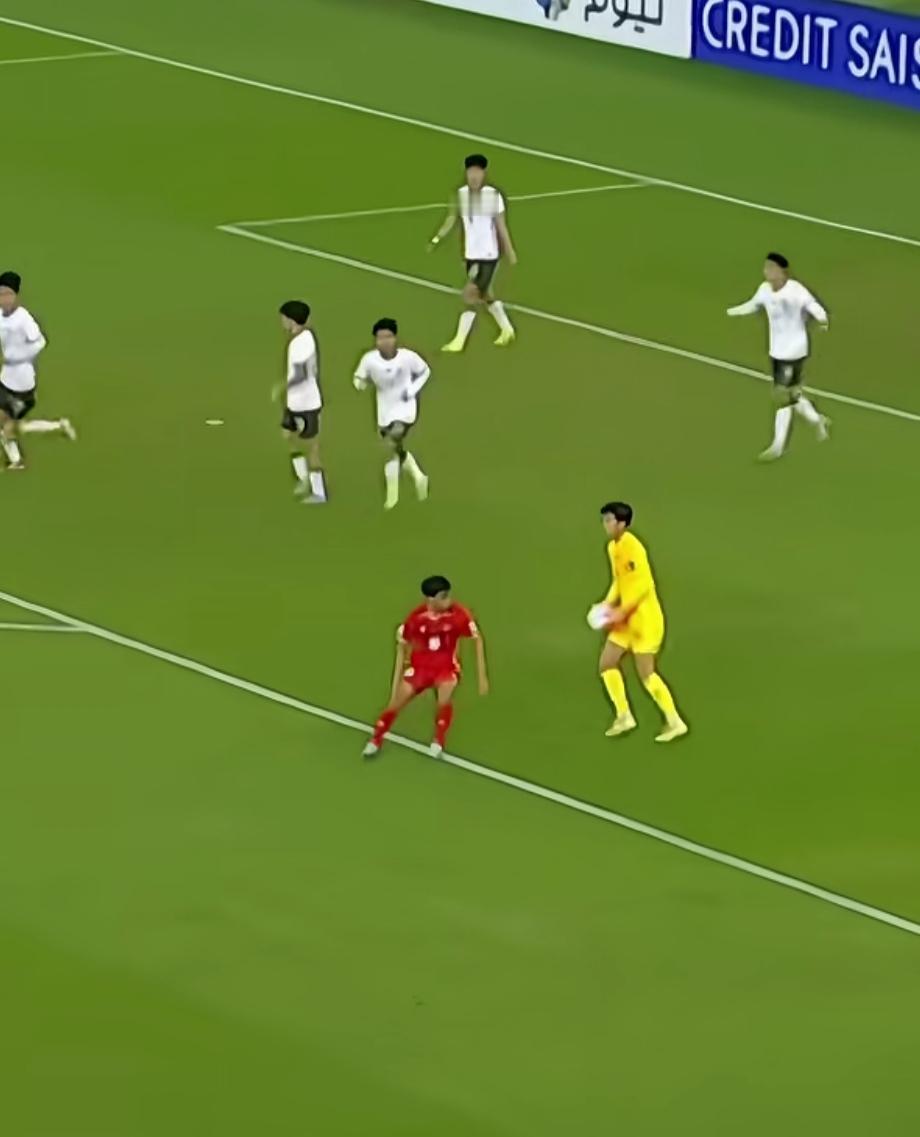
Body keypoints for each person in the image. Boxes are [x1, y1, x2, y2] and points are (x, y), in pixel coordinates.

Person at [364, 575, 489, 759]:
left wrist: (482, 676)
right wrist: (399, 675)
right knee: (395, 704)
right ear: (431, 599)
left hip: (446, 668)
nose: (448, 600)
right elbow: (403, 645)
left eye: (448, 595)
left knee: (444, 699)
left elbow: (476, 638)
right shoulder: (416, 618)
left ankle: (438, 741)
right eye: (443, 597)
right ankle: (376, 739)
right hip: (420, 669)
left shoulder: (459, 614)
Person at [594, 502, 687, 743]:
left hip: (645, 620)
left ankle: (675, 721)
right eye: (604, 520)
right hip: (626, 620)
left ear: (622, 524)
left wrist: (621, 612)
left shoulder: (633, 547)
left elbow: (643, 586)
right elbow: (619, 581)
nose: (605, 524)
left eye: (609, 520)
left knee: (646, 673)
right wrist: (607, 604)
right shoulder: (612, 548)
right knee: (607, 663)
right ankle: (624, 716)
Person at [727, 252, 830, 461]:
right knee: (792, 395)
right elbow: (753, 304)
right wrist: (733, 311)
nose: (767, 271)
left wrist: (822, 319)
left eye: (771, 268)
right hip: (776, 350)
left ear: (782, 271)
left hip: (794, 351)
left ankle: (778, 446)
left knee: (782, 397)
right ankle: (818, 421)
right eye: (766, 267)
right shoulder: (765, 290)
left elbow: (813, 306)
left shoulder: (795, 290)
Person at [429, 154, 517, 353]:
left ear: (483, 174)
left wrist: (509, 250)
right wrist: (437, 238)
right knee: (485, 295)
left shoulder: (493, 196)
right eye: (471, 172)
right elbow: (451, 219)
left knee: (470, 295)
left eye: (477, 172)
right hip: (470, 255)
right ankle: (507, 329)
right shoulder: (460, 195)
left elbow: (501, 226)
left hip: (488, 256)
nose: (474, 176)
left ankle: (459, 341)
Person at [0, 271, 76, 471]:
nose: (4, 299)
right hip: (5, 379)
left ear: (16, 295)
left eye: (8, 294)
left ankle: (18, 460)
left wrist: (19, 356)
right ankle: (58, 427)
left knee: (10, 428)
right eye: (0, 294)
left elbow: (40, 341)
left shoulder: (23, 319)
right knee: (9, 426)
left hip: (22, 385)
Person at [353, 318, 430, 510]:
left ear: (395, 338)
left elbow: (425, 371)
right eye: (380, 338)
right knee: (395, 450)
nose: (385, 341)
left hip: (406, 410)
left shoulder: (408, 357)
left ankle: (392, 497)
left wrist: (412, 390)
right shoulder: (369, 359)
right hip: (384, 412)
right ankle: (419, 477)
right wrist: (360, 384)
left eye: (388, 337)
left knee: (389, 447)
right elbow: (359, 377)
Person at [277, 300, 327, 503]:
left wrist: (281, 387)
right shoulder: (302, 338)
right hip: (294, 402)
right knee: (288, 436)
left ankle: (319, 493)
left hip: (307, 404)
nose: (281, 322)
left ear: (291, 320)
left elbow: (302, 374)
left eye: (283, 318)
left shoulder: (301, 344)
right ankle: (304, 478)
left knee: (311, 448)